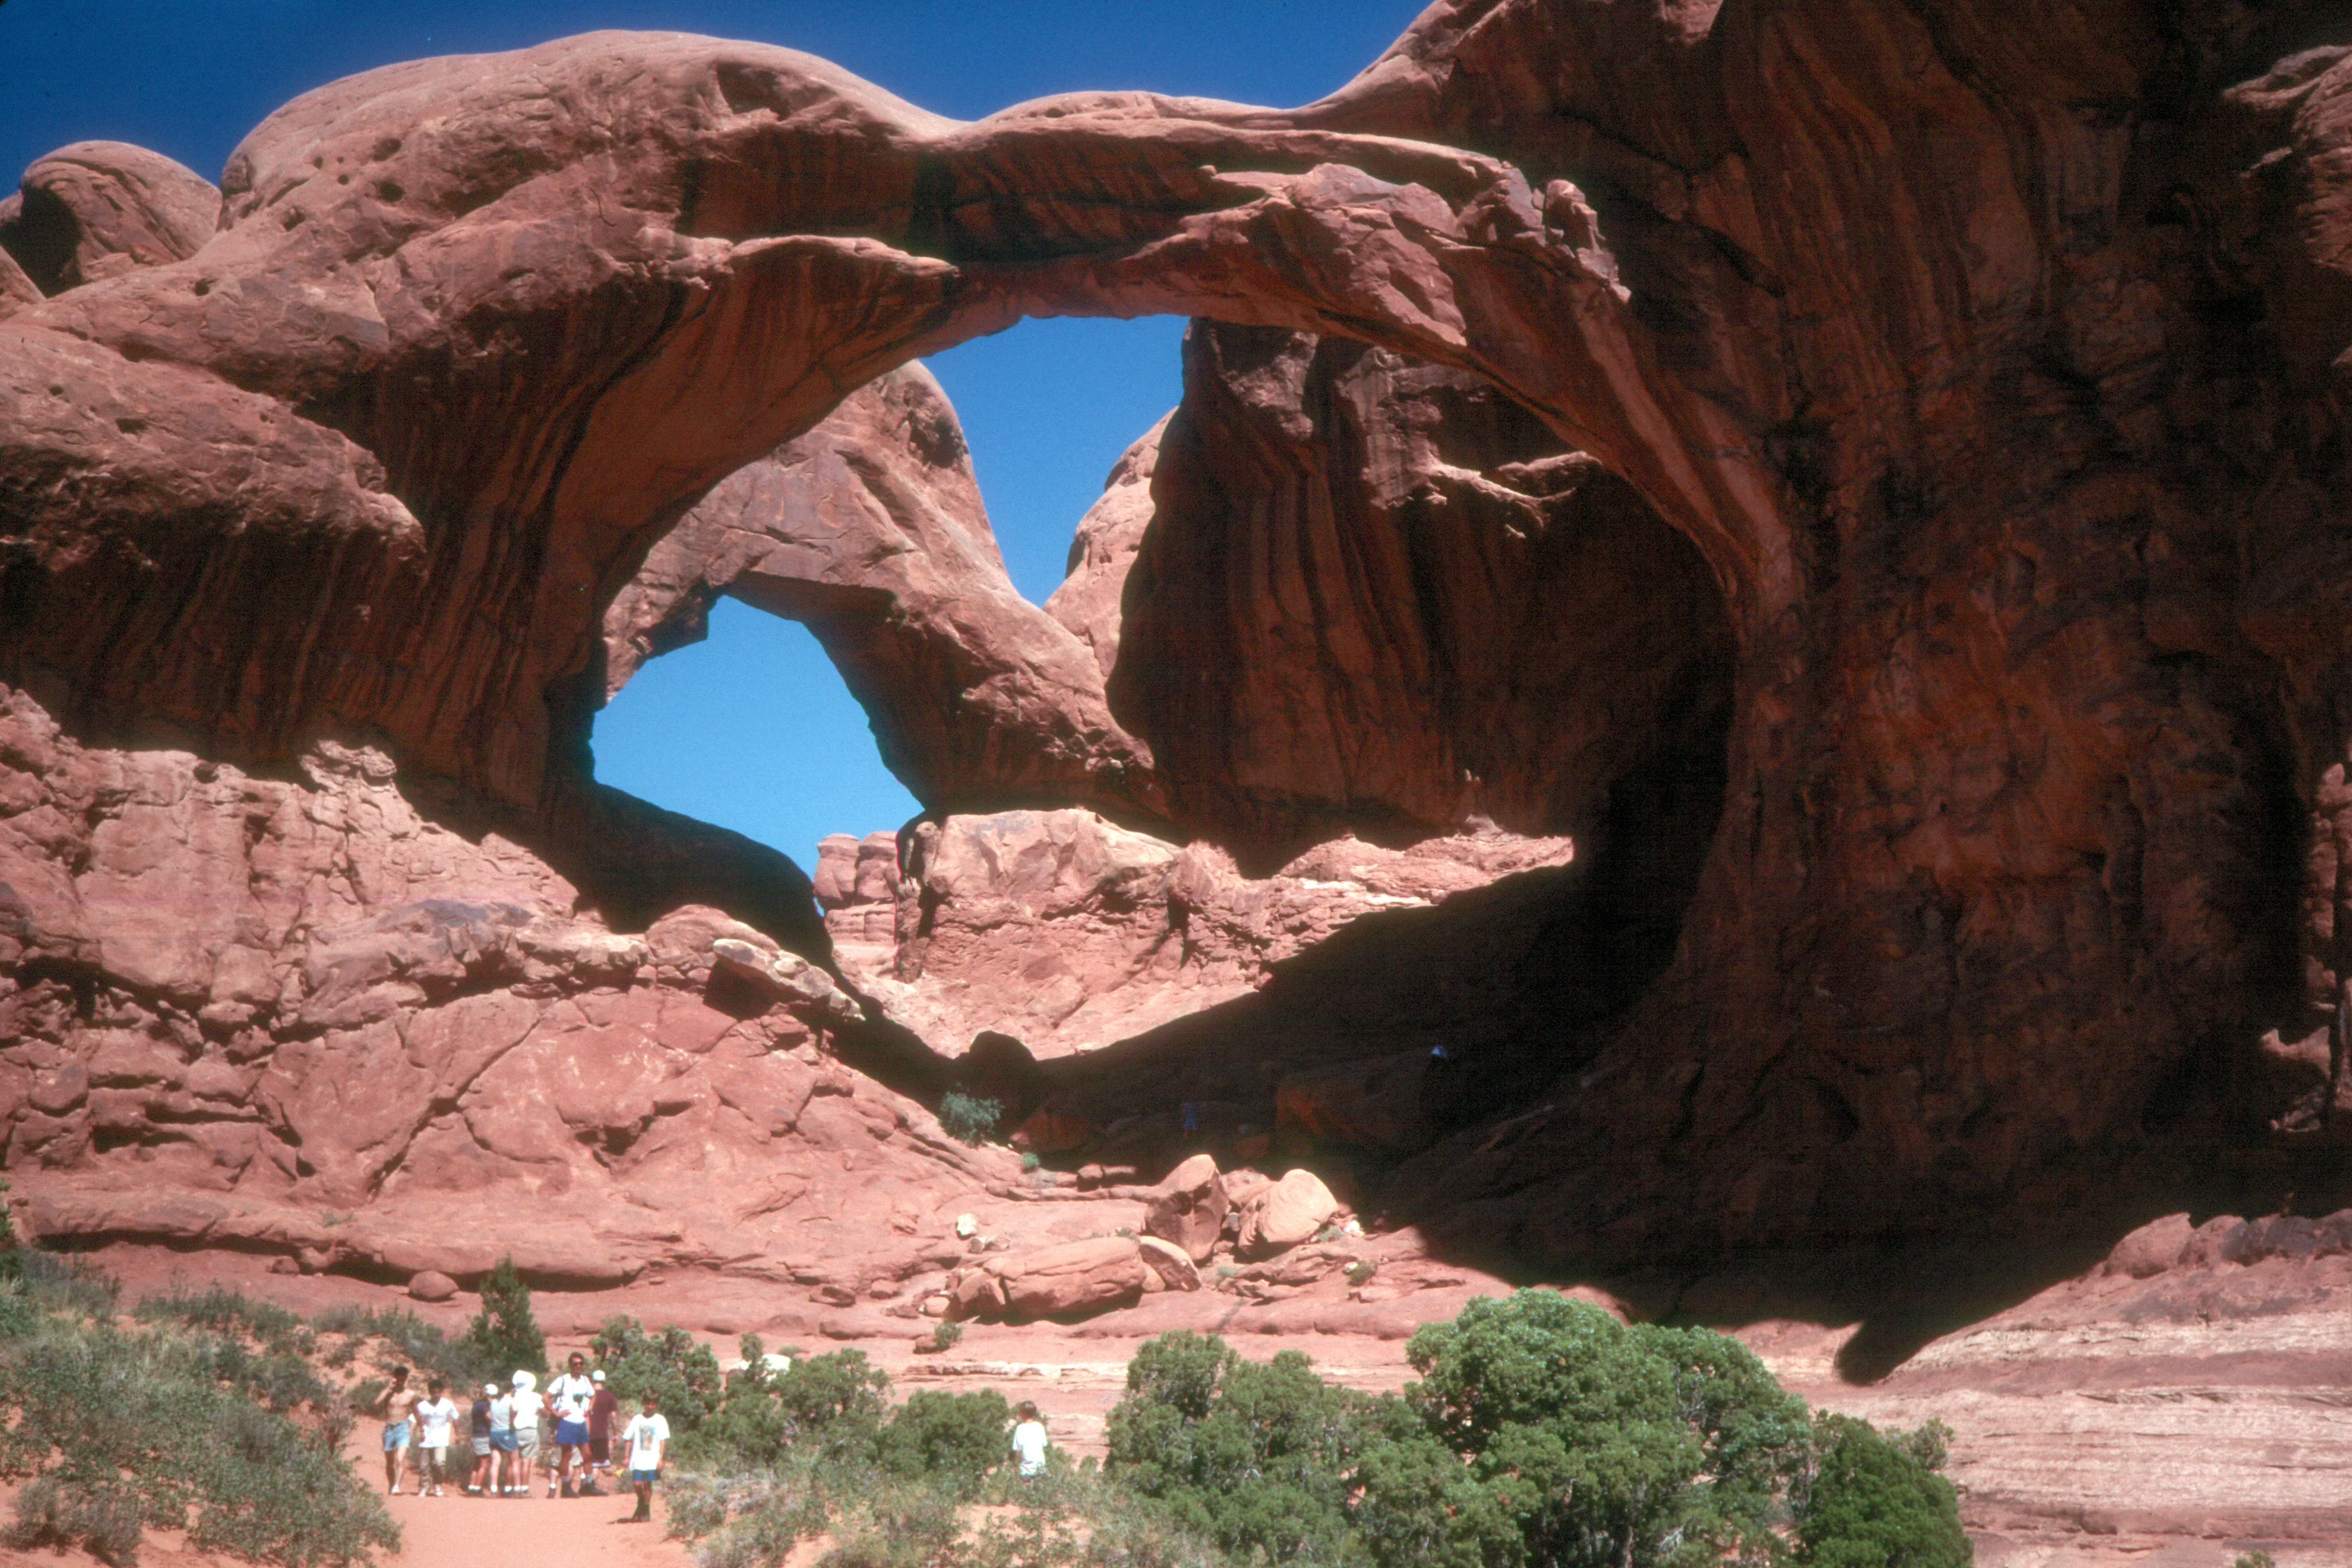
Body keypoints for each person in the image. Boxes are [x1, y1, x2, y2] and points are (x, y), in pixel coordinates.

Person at [545, 1352, 596, 1498]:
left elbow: (593, 1395)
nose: (578, 1366)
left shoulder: (585, 1381)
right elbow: (546, 1397)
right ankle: (566, 1486)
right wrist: (556, 1412)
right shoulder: (563, 1380)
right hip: (567, 1422)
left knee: (587, 1455)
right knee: (566, 1455)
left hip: (580, 1421)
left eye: (580, 1363)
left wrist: (590, 1408)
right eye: (575, 1363)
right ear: (570, 1365)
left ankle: (589, 1484)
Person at [617, 1392, 669, 1524]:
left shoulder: (660, 1420)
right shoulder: (637, 1419)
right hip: (638, 1458)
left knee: (648, 1484)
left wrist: (661, 1458)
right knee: (637, 1484)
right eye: (647, 1403)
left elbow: (663, 1441)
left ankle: (645, 1509)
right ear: (643, 1404)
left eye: (653, 1404)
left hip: (652, 1458)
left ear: (656, 1405)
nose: (650, 1407)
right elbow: (628, 1439)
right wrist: (626, 1456)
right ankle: (642, 1503)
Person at [377, 1366, 421, 1495]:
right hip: (389, 1428)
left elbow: (416, 1412)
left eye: (403, 1379)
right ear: (395, 1378)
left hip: (403, 1428)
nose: (400, 1382)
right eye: (398, 1379)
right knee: (389, 1461)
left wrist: (422, 1429)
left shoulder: (411, 1395)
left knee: (400, 1459)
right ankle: (392, 1485)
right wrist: (388, 1388)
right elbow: (376, 1402)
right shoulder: (389, 1394)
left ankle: (397, 1486)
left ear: (406, 1379)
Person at [415, 1378, 458, 1498]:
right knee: (424, 1465)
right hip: (427, 1438)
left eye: (438, 1392)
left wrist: (457, 1434)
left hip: (441, 1437)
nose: (436, 1395)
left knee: (439, 1463)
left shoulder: (447, 1404)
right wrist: (418, 1431)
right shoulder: (423, 1406)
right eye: (433, 1392)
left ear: (441, 1392)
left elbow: (455, 1418)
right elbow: (416, 1419)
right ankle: (424, 1487)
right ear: (430, 1392)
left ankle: (438, 1484)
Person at [508, 1370, 544, 1495]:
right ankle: (524, 1488)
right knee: (527, 1461)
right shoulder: (536, 1397)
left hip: (514, 1430)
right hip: (530, 1430)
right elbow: (545, 1413)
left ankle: (513, 1488)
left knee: (514, 1461)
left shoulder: (513, 1397)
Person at [585, 1370, 620, 1496]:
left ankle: (585, 1485)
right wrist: (616, 1432)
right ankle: (591, 1486)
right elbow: (613, 1417)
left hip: (585, 1432)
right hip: (601, 1433)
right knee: (597, 1463)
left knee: (586, 1460)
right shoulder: (609, 1396)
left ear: (593, 1380)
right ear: (604, 1381)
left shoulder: (587, 1395)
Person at [488, 1380, 518, 1494]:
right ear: (510, 1389)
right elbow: (515, 1410)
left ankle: (493, 1488)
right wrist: (511, 1420)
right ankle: (516, 1489)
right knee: (514, 1461)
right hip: (507, 1431)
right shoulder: (510, 1400)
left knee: (495, 1463)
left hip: (494, 1432)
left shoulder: (493, 1401)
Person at [466, 1383, 496, 1494]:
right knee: (484, 1464)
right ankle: (478, 1488)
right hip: (483, 1436)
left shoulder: (476, 1404)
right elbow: (490, 1418)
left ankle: (472, 1487)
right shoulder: (483, 1405)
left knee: (477, 1464)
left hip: (476, 1436)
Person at [1010, 1401, 1049, 1481]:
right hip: (1040, 1466)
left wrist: (1015, 1464)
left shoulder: (1020, 1428)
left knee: (1027, 1490)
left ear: (1024, 1413)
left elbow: (1018, 1449)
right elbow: (1044, 1444)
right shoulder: (1040, 1426)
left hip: (1027, 1467)